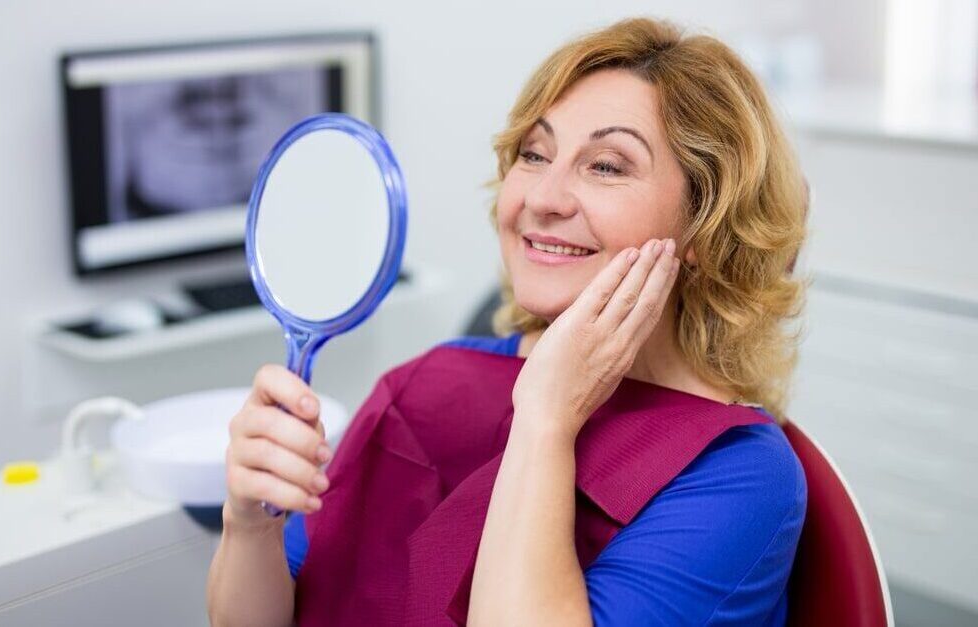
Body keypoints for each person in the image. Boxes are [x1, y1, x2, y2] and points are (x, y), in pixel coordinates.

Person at [207, 16, 809, 626]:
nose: (542, 199)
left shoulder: (739, 474)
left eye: (606, 165)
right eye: (534, 154)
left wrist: (547, 418)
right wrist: (247, 523)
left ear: (707, 227)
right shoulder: (424, 385)